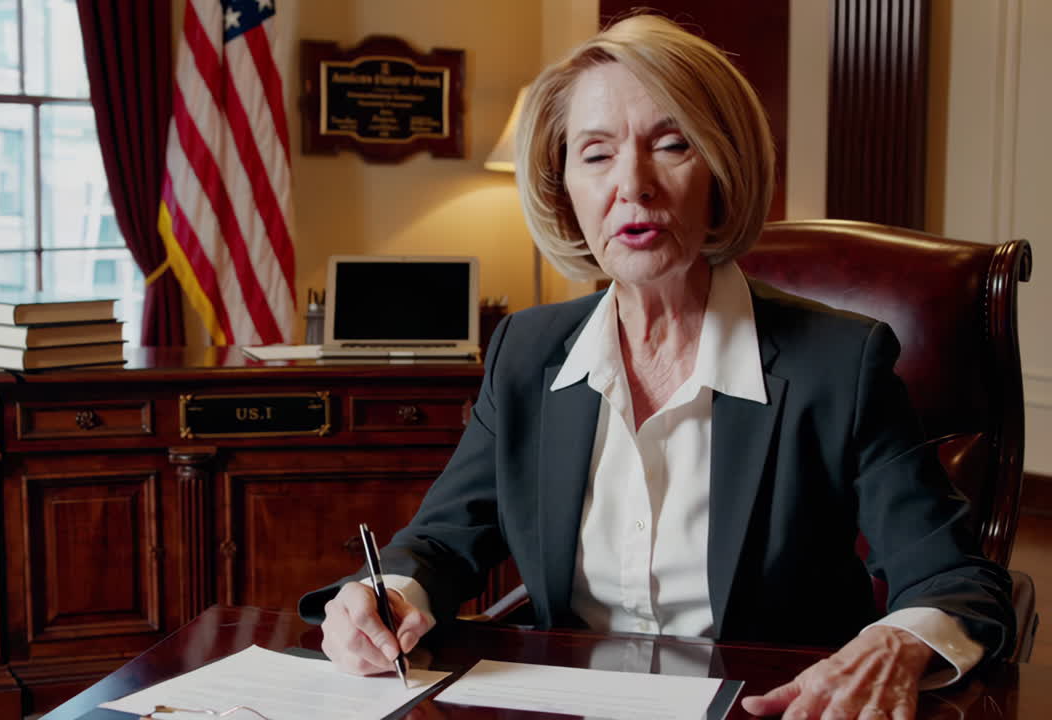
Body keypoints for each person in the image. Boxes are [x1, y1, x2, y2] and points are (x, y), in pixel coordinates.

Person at [300, 13, 1014, 719]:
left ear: (721, 174)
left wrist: (897, 642)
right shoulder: (528, 353)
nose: (632, 185)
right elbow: (440, 541)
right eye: (596, 153)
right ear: (565, 189)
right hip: (564, 704)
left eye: (672, 145)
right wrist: (388, 595)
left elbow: (953, 578)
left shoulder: (838, 365)